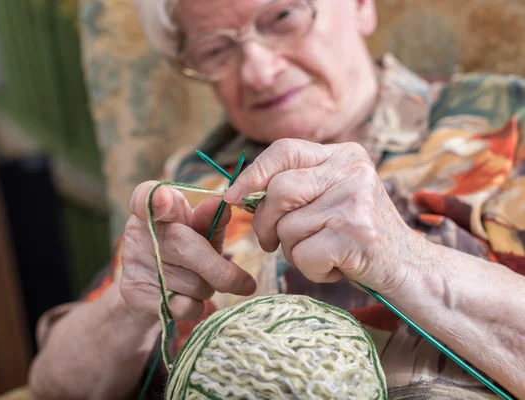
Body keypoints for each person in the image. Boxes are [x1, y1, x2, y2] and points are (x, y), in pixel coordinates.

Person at [28, 0, 525, 398]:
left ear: (361, 6)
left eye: (282, 17)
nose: (259, 73)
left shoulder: (505, 120)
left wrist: (407, 262)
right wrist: (129, 306)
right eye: (216, 50)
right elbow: (52, 382)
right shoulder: (190, 178)